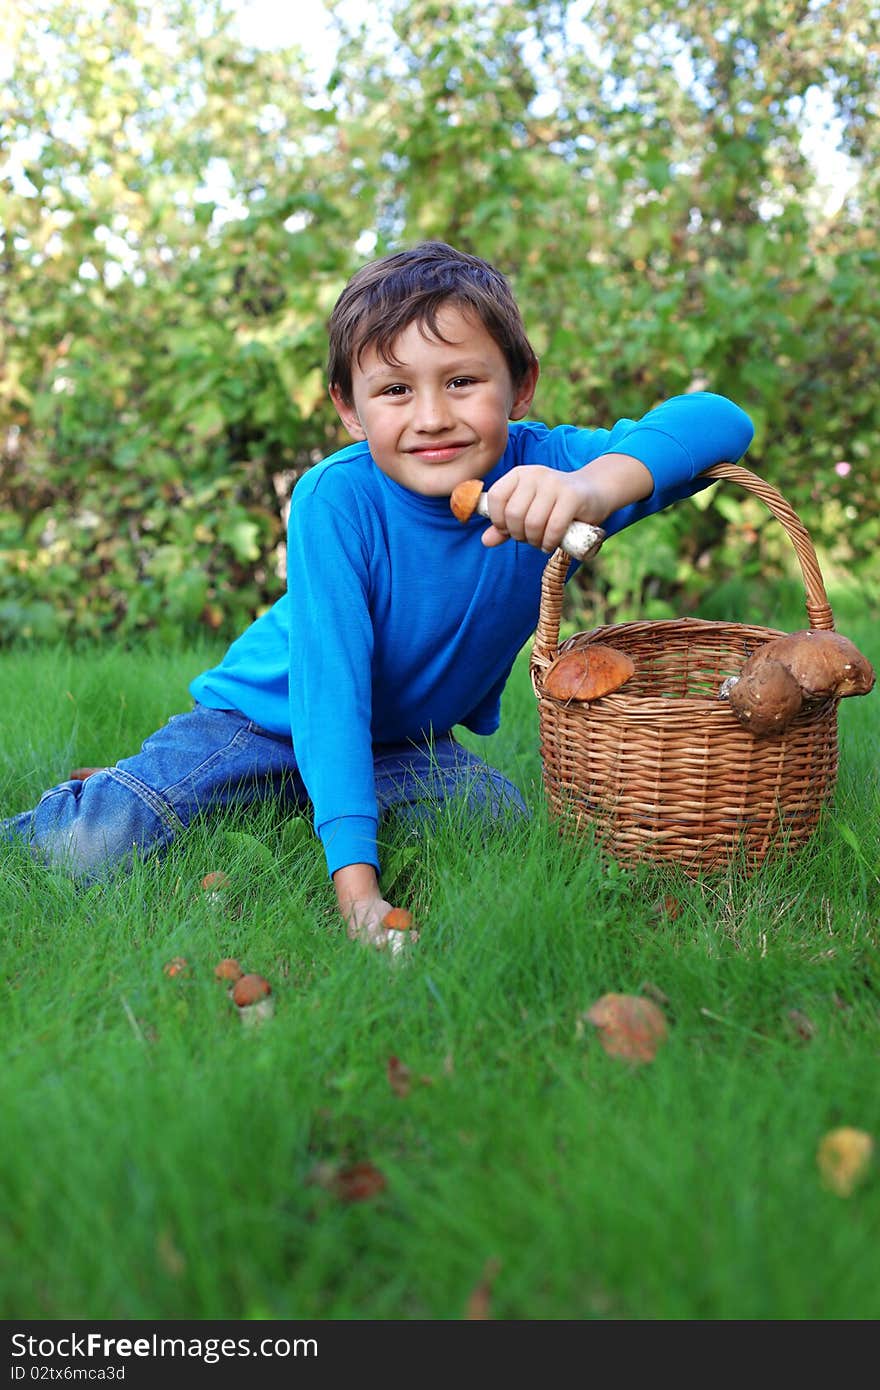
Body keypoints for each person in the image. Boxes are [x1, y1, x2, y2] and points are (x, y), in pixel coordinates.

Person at [2, 241, 754, 949]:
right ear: (351, 410)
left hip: (399, 740)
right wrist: (358, 891)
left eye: (462, 380)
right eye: (395, 390)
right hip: (265, 719)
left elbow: (722, 420)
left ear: (519, 385)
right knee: (98, 846)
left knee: (495, 820)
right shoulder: (337, 498)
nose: (431, 416)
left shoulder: (551, 473)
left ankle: (301, 802)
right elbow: (330, 695)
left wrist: (590, 488)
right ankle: (131, 793)